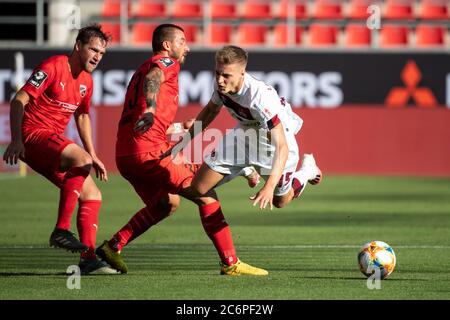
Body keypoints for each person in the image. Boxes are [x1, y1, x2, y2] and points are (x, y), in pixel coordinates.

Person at [95, 24, 267, 276]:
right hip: (149, 152)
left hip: (126, 155)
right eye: (182, 42)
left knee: (167, 202)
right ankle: (230, 263)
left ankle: (112, 247)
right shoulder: (165, 63)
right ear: (167, 45)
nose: (187, 47)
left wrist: (174, 125)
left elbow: (141, 117)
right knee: (205, 192)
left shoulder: (140, 70)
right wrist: (152, 108)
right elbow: (156, 78)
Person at [2, 24, 117, 275]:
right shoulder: (54, 66)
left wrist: (94, 154)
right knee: (80, 159)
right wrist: (16, 139)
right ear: (78, 46)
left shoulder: (87, 81)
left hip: (50, 141)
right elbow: (19, 99)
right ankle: (61, 229)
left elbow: (83, 116)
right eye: (93, 50)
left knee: (93, 195)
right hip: (33, 136)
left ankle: (87, 259)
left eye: (102, 53)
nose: (97, 56)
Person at [166, 45, 322, 213]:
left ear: (242, 73)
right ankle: (245, 169)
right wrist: (185, 141)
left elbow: (282, 148)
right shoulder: (221, 85)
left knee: (280, 201)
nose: (219, 80)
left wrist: (269, 187)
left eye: (226, 75)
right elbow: (211, 110)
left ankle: (307, 171)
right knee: (198, 188)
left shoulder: (259, 98)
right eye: (217, 73)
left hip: (272, 147)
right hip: (242, 136)